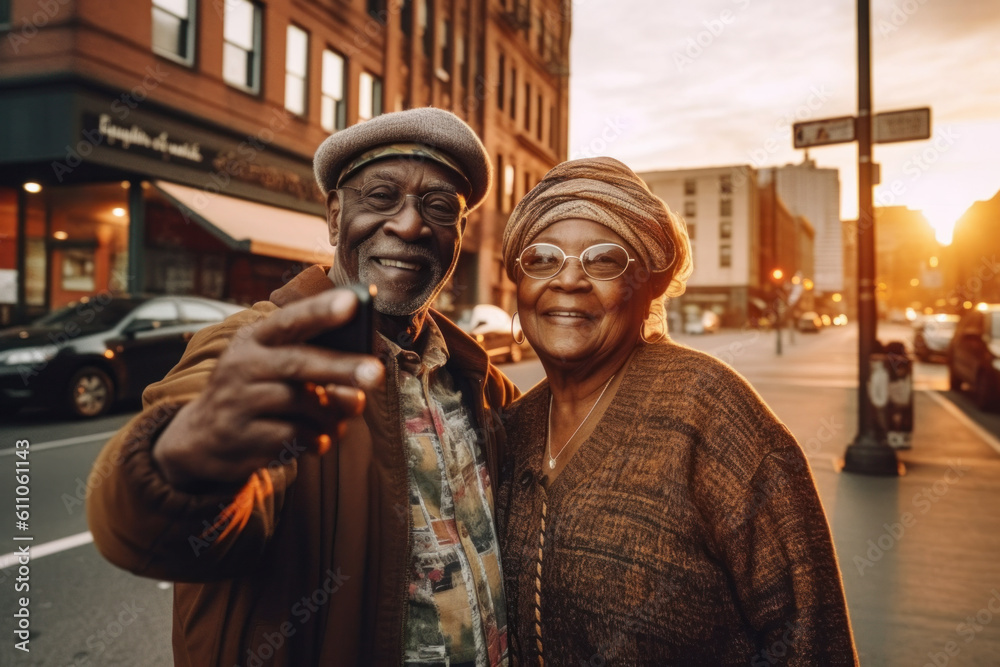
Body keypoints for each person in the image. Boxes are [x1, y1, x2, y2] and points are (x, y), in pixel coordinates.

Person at [86, 108, 518, 666]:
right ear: (336, 218)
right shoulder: (256, 348)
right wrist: (188, 457)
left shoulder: (479, 379)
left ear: (458, 235)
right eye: (382, 197)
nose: (410, 226)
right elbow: (141, 521)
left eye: (439, 208)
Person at [496, 157, 858, 665]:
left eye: (603, 260)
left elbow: (812, 640)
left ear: (648, 286)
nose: (569, 280)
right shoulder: (510, 427)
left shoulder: (713, 411)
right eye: (543, 258)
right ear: (518, 280)